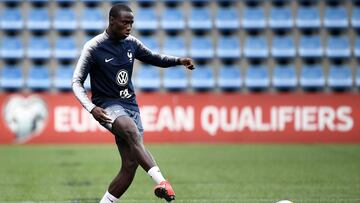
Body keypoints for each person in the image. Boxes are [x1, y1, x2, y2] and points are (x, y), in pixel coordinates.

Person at [72, 3, 194, 203]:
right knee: (130, 131)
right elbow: (76, 82)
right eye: (125, 22)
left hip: (131, 105)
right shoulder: (93, 47)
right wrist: (91, 108)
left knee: (130, 165)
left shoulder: (131, 43)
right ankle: (162, 182)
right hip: (107, 106)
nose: (129, 27)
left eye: (131, 23)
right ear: (112, 21)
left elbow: (155, 57)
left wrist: (179, 61)